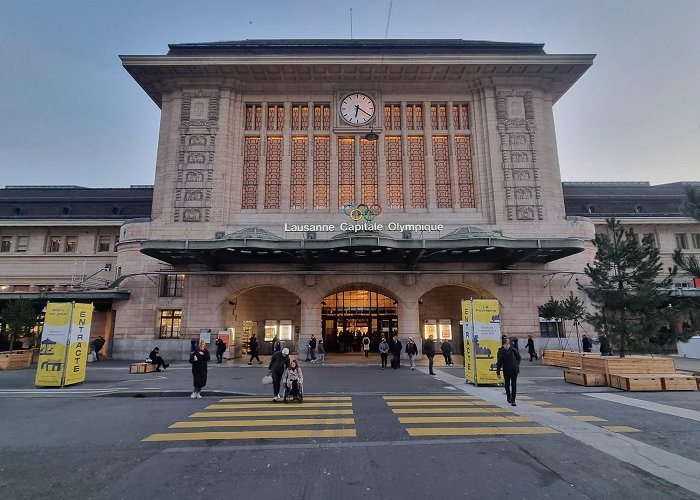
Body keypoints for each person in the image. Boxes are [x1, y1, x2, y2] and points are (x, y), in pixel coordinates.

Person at [496, 337, 521, 406]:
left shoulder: (513, 350)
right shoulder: (500, 352)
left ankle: (513, 400)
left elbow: (519, 358)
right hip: (506, 371)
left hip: (514, 370)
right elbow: (499, 363)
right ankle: (508, 396)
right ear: (503, 345)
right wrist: (498, 372)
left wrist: (517, 365)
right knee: (507, 385)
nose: (507, 345)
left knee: (514, 384)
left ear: (509, 344)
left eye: (508, 344)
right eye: (505, 344)